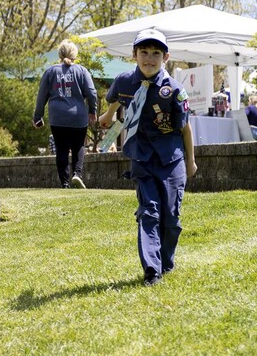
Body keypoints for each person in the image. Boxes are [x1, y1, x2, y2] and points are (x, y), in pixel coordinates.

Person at [98, 28, 197, 285]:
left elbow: (185, 129)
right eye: (144, 52)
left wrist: (191, 161)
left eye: (156, 53)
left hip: (171, 158)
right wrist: (109, 116)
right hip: (141, 157)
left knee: (171, 217)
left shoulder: (174, 91)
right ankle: (152, 270)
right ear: (134, 54)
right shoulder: (124, 81)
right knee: (148, 212)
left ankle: (166, 260)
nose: (149, 59)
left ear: (166, 57)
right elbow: (115, 99)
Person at [33, 40, 99, 188]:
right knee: (78, 147)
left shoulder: (50, 71)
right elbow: (92, 93)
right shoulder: (82, 71)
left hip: (58, 117)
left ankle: (65, 183)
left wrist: (38, 117)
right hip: (78, 116)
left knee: (61, 149)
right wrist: (92, 110)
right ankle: (77, 174)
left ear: (60, 53)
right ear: (75, 54)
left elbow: (41, 96)